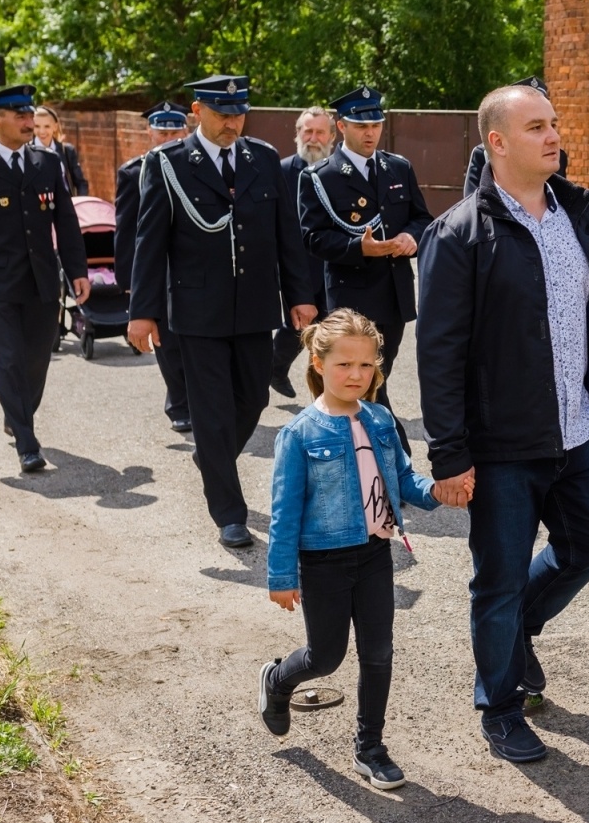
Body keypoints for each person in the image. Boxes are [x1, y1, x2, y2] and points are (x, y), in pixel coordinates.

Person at [417, 82, 589, 764]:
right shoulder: (459, 236)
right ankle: (500, 704)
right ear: (498, 143)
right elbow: (439, 353)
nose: (554, 135)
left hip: (581, 428)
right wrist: (449, 454)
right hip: (504, 443)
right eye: (537, 126)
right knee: (498, 577)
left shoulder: (576, 214)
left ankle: (516, 634)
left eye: (555, 123)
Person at [258, 308, 447, 789]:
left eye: (366, 365)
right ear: (318, 363)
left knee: (379, 652)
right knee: (326, 657)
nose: (356, 375)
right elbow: (285, 512)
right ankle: (278, 681)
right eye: (344, 365)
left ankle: (370, 748)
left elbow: (403, 478)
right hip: (322, 562)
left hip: (374, 556)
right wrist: (282, 578)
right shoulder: (299, 434)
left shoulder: (381, 418)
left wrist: (437, 492)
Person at [128, 74, 317, 549]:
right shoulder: (168, 163)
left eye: (239, 113)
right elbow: (150, 243)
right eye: (222, 113)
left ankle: (211, 459)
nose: (233, 122)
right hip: (195, 311)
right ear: (197, 111)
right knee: (210, 413)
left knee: (252, 399)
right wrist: (142, 312)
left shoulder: (263, 158)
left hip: (254, 306)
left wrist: (300, 294)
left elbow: (285, 234)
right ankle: (229, 513)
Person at [0, 85, 89, 472]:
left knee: (37, 360)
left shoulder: (46, 162)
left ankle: (17, 411)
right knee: (6, 359)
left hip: (42, 278)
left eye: (30, 115)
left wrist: (77, 271)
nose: (29, 123)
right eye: (20, 116)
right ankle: (27, 442)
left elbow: (67, 221)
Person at [298, 86, 431, 453]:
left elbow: (422, 218)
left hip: (394, 293)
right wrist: (360, 247)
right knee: (371, 381)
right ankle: (396, 461)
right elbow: (313, 238)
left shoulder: (398, 167)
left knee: (375, 378)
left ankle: (363, 457)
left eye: (375, 124)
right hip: (352, 299)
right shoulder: (320, 176)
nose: (370, 132)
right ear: (342, 126)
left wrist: (410, 237)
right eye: (361, 125)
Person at [113, 101, 192, 432]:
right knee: (168, 340)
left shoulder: (196, 168)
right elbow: (128, 231)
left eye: (175, 131)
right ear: (150, 133)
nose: (169, 138)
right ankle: (179, 402)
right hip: (155, 271)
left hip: (191, 267)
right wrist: (131, 284)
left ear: (186, 131)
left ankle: (194, 398)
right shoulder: (134, 172)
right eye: (163, 132)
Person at [271, 107, 336, 398]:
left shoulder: (338, 169)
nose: (313, 138)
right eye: (307, 131)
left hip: (333, 261)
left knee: (331, 328)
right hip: (297, 263)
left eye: (320, 132)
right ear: (297, 134)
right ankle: (274, 367)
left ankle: (327, 392)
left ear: (332, 136)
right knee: (296, 324)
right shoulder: (282, 171)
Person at [462, 76, 566, 199]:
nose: (555, 138)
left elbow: (561, 195)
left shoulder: (558, 155)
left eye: (553, 125)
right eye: (536, 127)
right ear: (498, 142)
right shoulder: (483, 153)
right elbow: (474, 199)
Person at [32, 105, 90, 196]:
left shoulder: (67, 151)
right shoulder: (25, 151)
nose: (42, 131)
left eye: (47, 126)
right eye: (37, 126)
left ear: (55, 127)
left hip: (65, 206)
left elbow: (81, 183)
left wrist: (79, 205)